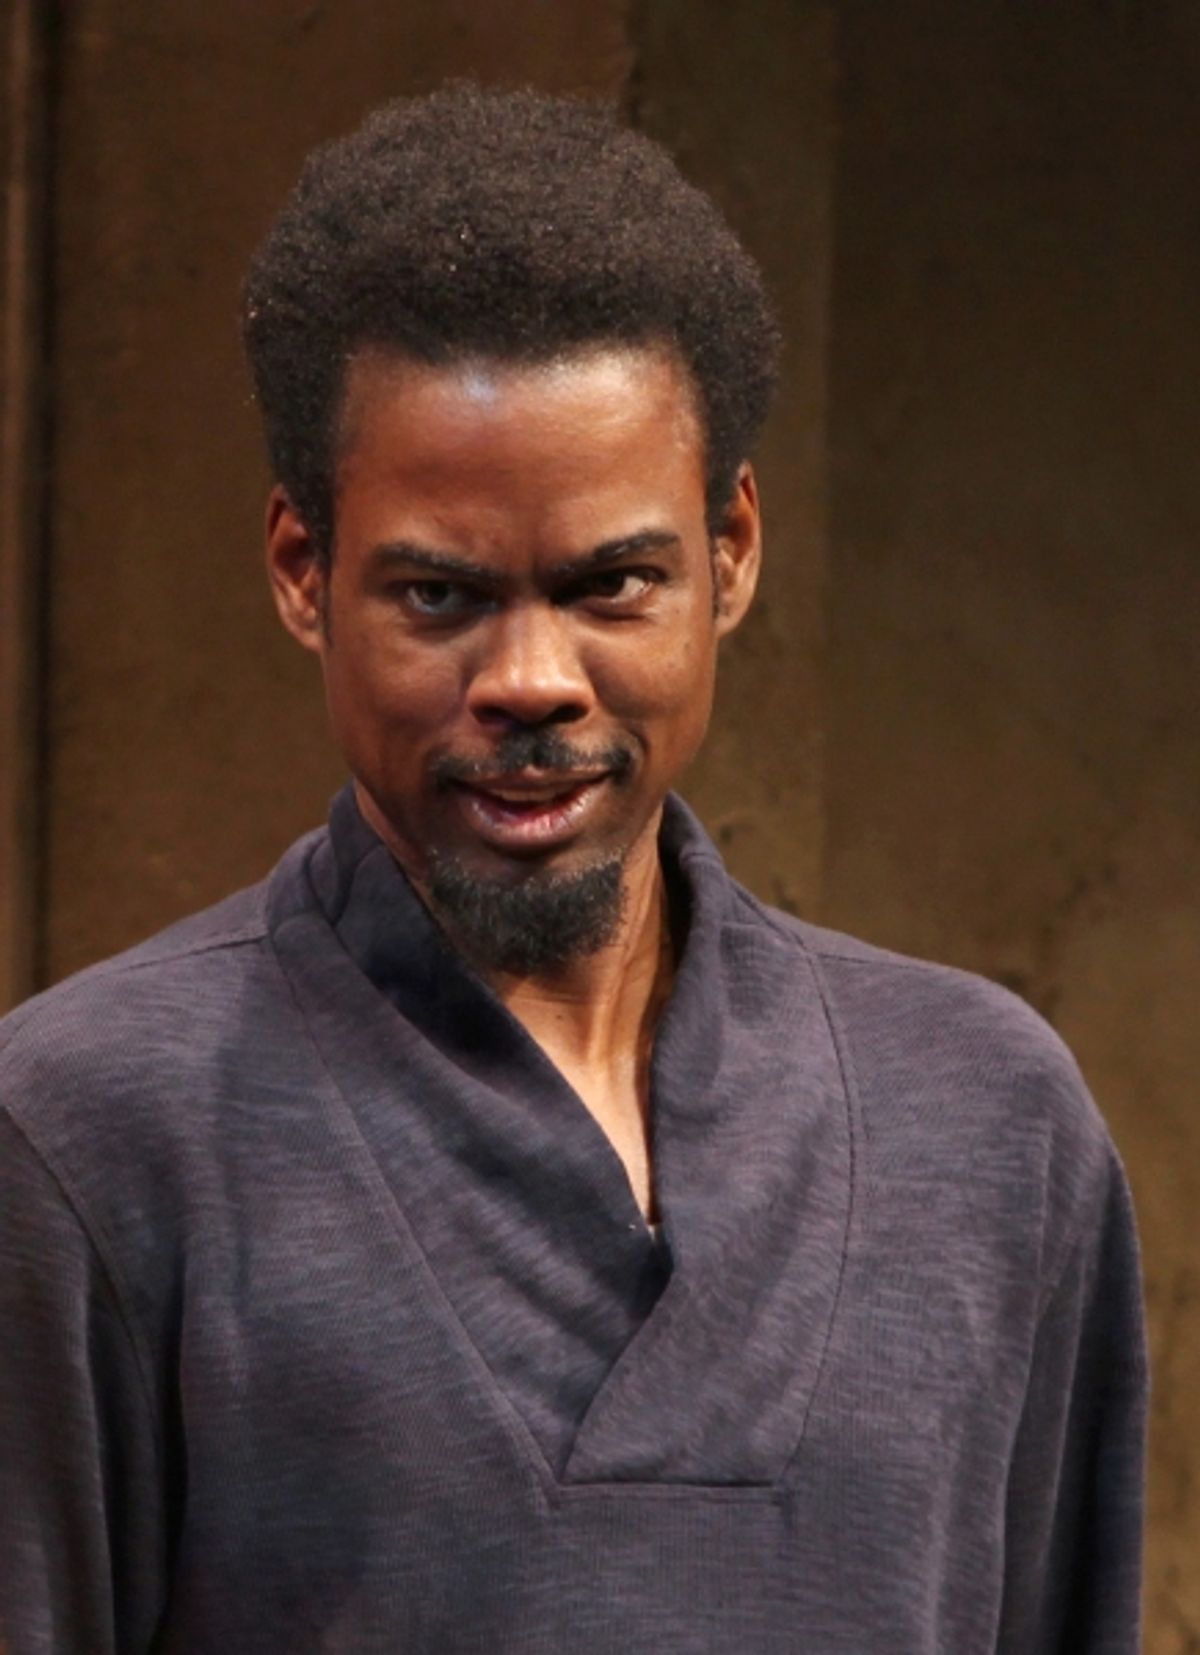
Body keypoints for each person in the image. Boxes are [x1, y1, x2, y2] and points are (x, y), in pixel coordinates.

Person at [0, 84, 1146, 1653]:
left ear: (729, 553)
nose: (531, 678)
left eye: (613, 582)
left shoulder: (992, 1130)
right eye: (440, 594)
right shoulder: (83, 1140)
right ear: (300, 573)